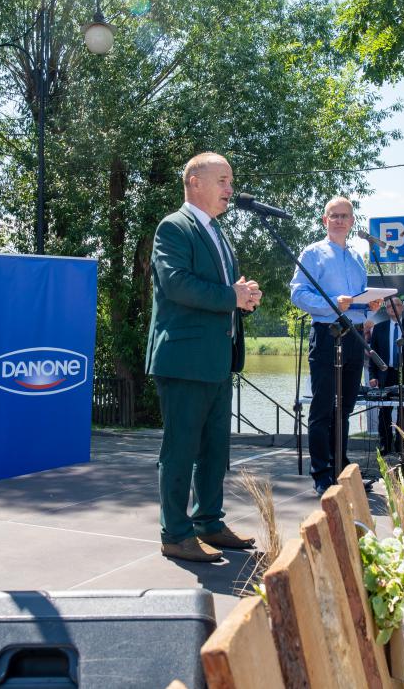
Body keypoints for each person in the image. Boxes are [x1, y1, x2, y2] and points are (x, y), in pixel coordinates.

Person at [146, 152, 262, 563]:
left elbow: (221, 291)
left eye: (230, 181)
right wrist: (232, 295)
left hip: (217, 358)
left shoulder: (217, 232)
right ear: (195, 182)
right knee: (181, 449)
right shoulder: (173, 227)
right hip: (184, 358)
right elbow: (177, 284)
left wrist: (244, 297)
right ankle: (176, 533)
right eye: (223, 180)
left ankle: (208, 522)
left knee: (214, 449)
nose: (230, 188)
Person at [290, 196, 382, 495]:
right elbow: (297, 294)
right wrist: (332, 303)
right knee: (322, 408)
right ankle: (321, 473)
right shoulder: (312, 253)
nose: (340, 220)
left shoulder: (356, 257)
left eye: (345, 216)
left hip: (354, 334)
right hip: (327, 333)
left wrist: (370, 304)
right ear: (324, 220)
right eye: (334, 216)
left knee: (344, 407)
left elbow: (358, 299)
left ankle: (342, 470)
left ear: (352, 221)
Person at [367, 295, 404, 453]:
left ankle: (401, 444)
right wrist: (373, 376)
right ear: (386, 310)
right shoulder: (379, 328)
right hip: (385, 375)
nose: (392, 308)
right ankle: (385, 444)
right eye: (388, 306)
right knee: (384, 410)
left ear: (402, 307)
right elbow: (373, 356)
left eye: (396, 305)